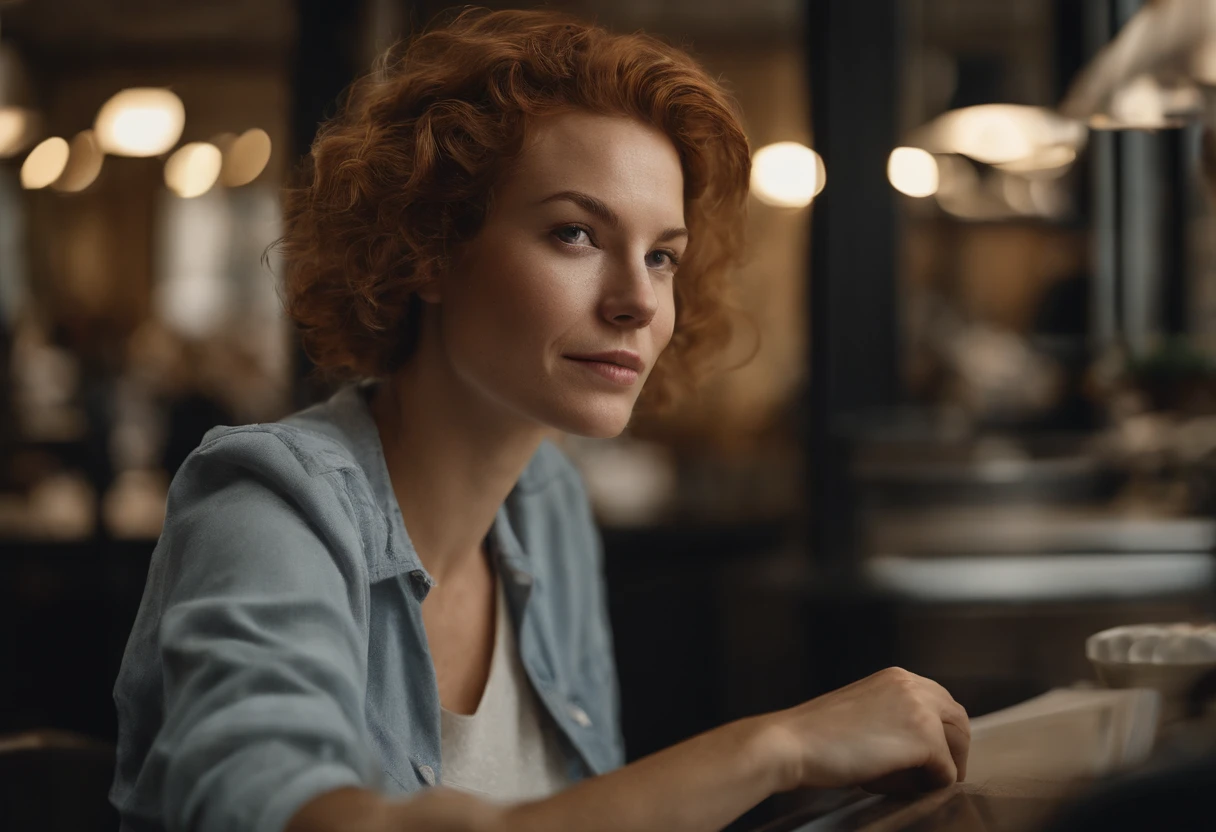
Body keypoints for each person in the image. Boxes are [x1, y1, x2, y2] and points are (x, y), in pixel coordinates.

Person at [109, 9, 970, 832]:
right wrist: (773, 747)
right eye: (575, 234)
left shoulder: (546, 504)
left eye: (662, 254)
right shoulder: (268, 508)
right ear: (431, 251)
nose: (639, 300)